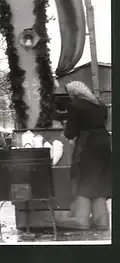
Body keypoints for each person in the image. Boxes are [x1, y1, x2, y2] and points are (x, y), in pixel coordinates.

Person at [55, 81, 111, 231]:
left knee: (83, 178)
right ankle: (102, 221)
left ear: (73, 92)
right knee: (99, 180)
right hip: (104, 144)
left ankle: (82, 219)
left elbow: (70, 132)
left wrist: (65, 130)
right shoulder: (99, 103)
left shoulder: (76, 104)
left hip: (87, 145)